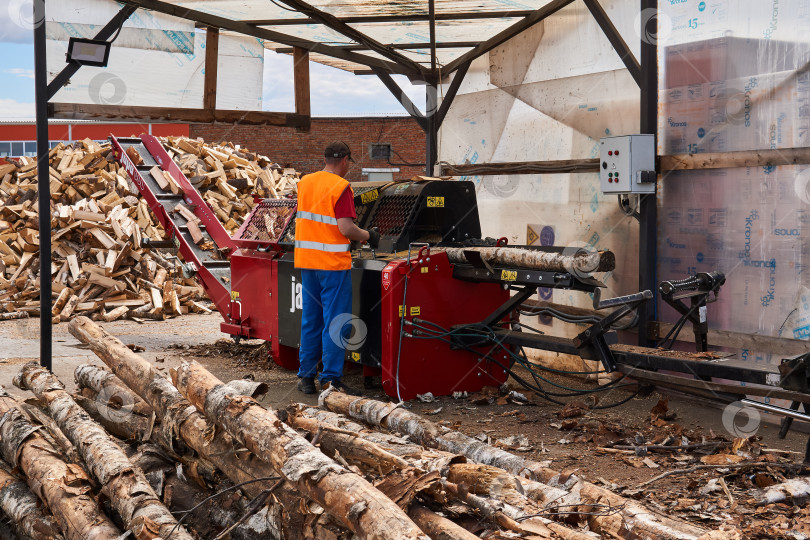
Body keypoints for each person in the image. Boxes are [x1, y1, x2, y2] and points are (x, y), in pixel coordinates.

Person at [294, 142, 380, 394]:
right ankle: (331, 380)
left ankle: (306, 378)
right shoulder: (341, 187)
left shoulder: (305, 183)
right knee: (335, 322)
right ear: (344, 160)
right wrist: (368, 236)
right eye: (348, 163)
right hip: (332, 265)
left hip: (307, 263)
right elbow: (345, 228)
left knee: (311, 320)